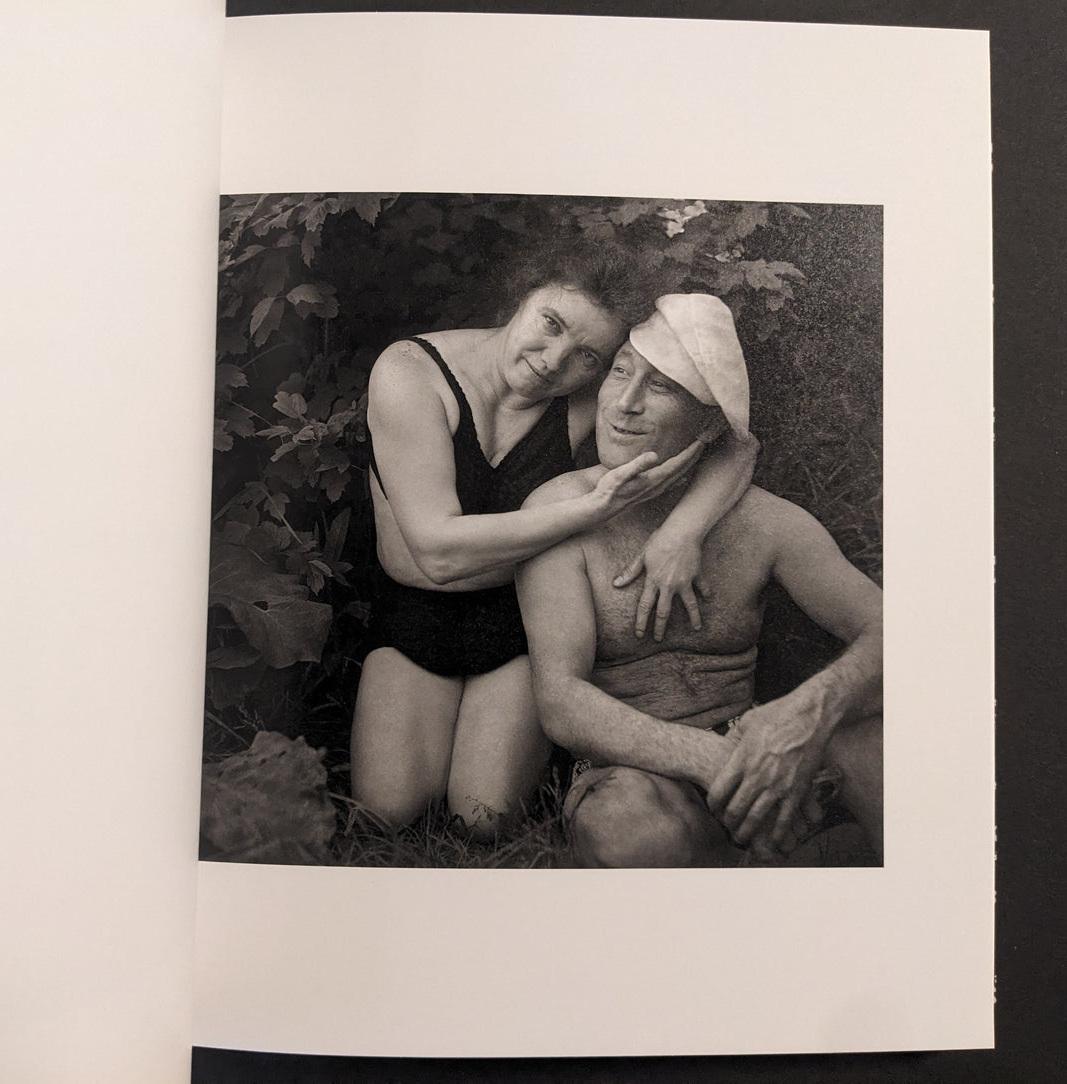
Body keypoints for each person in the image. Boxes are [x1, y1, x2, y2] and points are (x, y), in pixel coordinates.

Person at [352, 243, 759, 838]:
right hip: (417, 613)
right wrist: (594, 510)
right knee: (386, 813)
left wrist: (683, 530)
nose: (553, 360)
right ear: (524, 296)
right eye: (551, 324)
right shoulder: (411, 373)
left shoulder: (579, 404)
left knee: (481, 819)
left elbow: (737, 445)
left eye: (587, 356)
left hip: (519, 622)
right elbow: (436, 554)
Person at [517, 293, 883, 866]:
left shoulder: (767, 523)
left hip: (756, 749)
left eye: (660, 386)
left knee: (878, 752)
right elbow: (562, 701)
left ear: (709, 423)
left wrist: (803, 717)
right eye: (619, 372)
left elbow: (895, 633)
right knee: (624, 824)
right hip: (632, 770)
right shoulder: (559, 510)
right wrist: (715, 761)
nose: (624, 404)